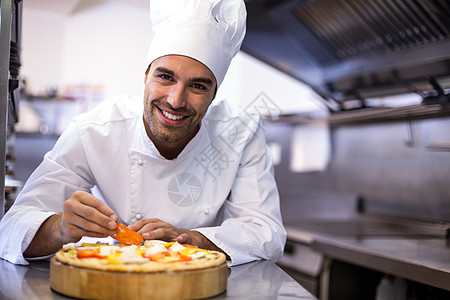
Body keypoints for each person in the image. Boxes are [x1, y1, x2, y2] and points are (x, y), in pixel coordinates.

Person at [0, 0, 286, 266]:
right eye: (165, 76)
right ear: (145, 76)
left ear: (214, 95)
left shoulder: (240, 130)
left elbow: (266, 232)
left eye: (198, 86)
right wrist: (61, 228)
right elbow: (10, 229)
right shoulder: (95, 131)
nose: (175, 100)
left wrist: (187, 240)